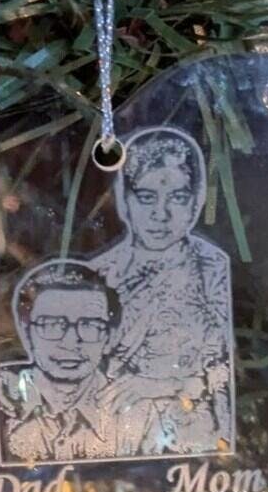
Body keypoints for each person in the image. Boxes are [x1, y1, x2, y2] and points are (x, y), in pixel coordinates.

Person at [90, 126, 234, 457]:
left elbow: (224, 366)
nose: (161, 214)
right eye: (146, 197)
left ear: (196, 201)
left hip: (197, 437)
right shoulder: (101, 273)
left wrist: (163, 386)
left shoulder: (211, 266)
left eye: (178, 198)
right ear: (125, 200)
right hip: (115, 434)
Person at [0, 260, 122, 465]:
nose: (70, 343)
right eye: (52, 324)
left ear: (110, 338)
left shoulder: (142, 412)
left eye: (89, 325)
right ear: (25, 333)